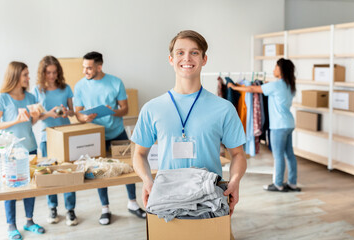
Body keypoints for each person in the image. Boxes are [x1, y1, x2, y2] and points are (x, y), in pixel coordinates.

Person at [131, 30, 247, 216]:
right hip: (167, 201)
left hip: (210, 200)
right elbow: (139, 153)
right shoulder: (152, 108)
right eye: (180, 52)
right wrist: (147, 180)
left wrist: (235, 181)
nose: (187, 58)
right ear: (171, 59)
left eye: (194, 52)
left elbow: (238, 154)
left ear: (204, 59)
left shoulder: (224, 108)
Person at [74, 51, 146, 225]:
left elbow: (125, 109)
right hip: (95, 136)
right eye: (84, 67)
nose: (85, 71)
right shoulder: (80, 86)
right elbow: (78, 113)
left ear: (99, 67)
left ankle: (132, 203)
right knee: (99, 172)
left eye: (89, 68)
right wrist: (84, 118)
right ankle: (105, 208)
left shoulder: (115, 82)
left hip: (117, 133)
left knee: (128, 168)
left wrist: (111, 111)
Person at [228, 58, 301, 192]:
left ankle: (278, 184)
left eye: (275, 67)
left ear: (281, 69)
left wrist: (233, 87)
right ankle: (292, 183)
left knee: (278, 155)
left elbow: (251, 88)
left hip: (278, 126)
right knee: (289, 154)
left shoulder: (276, 85)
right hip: (289, 123)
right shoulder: (290, 85)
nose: (274, 69)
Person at [0, 62, 45, 240]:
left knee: (31, 187)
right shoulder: (2, 98)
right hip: (10, 151)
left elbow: (30, 123)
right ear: (16, 76)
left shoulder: (31, 97)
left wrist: (35, 118)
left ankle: (30, 221)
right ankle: (11, 225)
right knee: (10, 188)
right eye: (25, 74)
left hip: (30, 147)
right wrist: (15, 120)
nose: (28, 78)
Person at [33, 55, 78, 226]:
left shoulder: (65, 88)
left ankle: (70, 209)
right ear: (42, 73)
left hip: (65, 134)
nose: (52, 76)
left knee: (68, 172)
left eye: (54, 72)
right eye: (48, 73)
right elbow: (36, 117)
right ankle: (52, 207)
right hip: (47, 136)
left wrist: (67, 112)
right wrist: (49, 114)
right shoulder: (37, 90)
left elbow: (73, 112)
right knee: (49, 173)